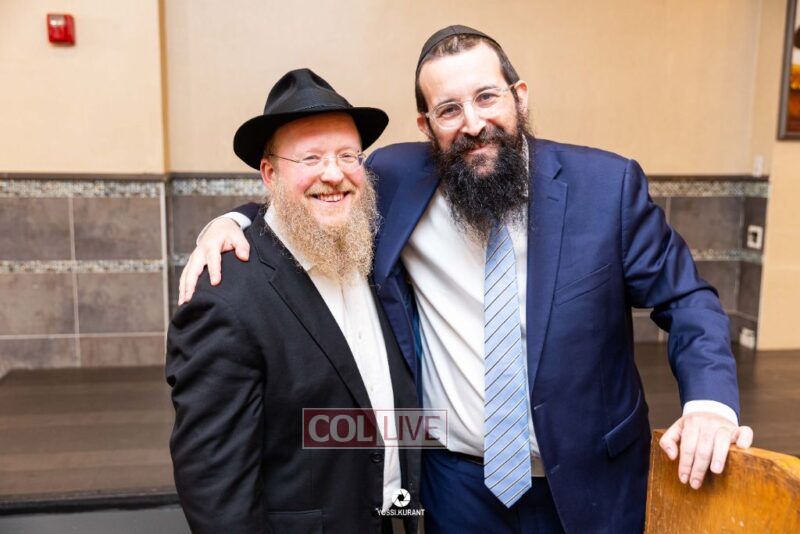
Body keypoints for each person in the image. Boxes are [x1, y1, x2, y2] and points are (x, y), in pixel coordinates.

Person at [178, 27, 753, 533]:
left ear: (519, 96)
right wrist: (233, 222)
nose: (473, 123)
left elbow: (687, 299)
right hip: (456, 487)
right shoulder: (396, 179)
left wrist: (709, 402)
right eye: (449, 109)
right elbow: (314, 191)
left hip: (589, 478)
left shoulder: (606, 188)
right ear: (427, 125)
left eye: (486, 97)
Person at [166, 68, 420, 534]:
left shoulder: (373, 251)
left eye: (347, 155)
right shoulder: (226, 298)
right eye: (310, 158)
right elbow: (215, 488)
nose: (334, 174)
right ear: (270, 173)